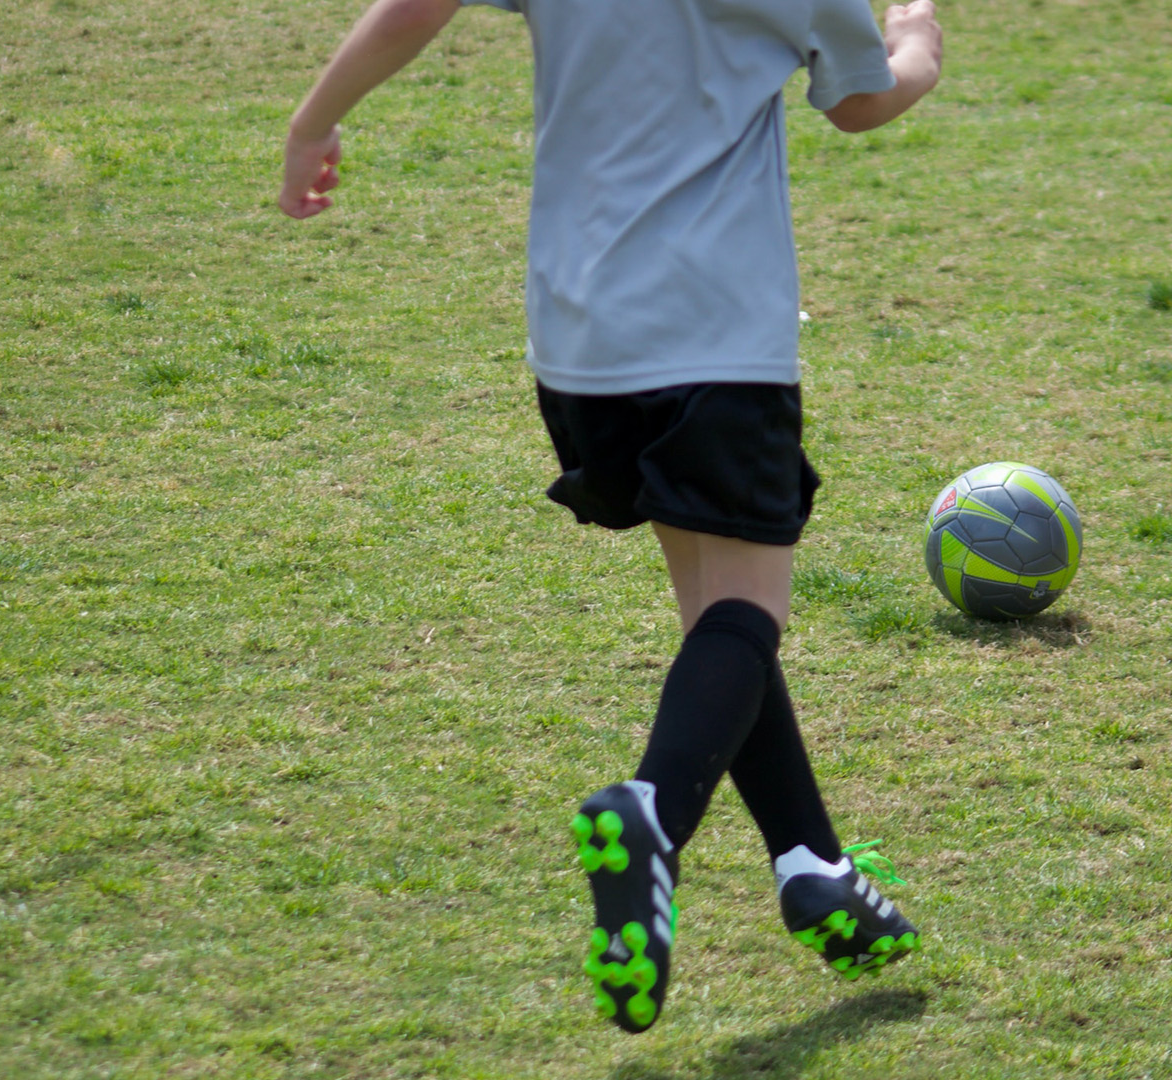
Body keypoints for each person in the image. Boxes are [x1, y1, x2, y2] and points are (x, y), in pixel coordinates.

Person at [278, 0, 943, 1033]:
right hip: (715, 328)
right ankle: (651, 815)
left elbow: (416, 7)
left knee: (715, 616)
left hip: (579, 337)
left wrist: (314, 119)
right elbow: (860, 102)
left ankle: (813, 865)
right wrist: (919, 46)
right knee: (746, 615)